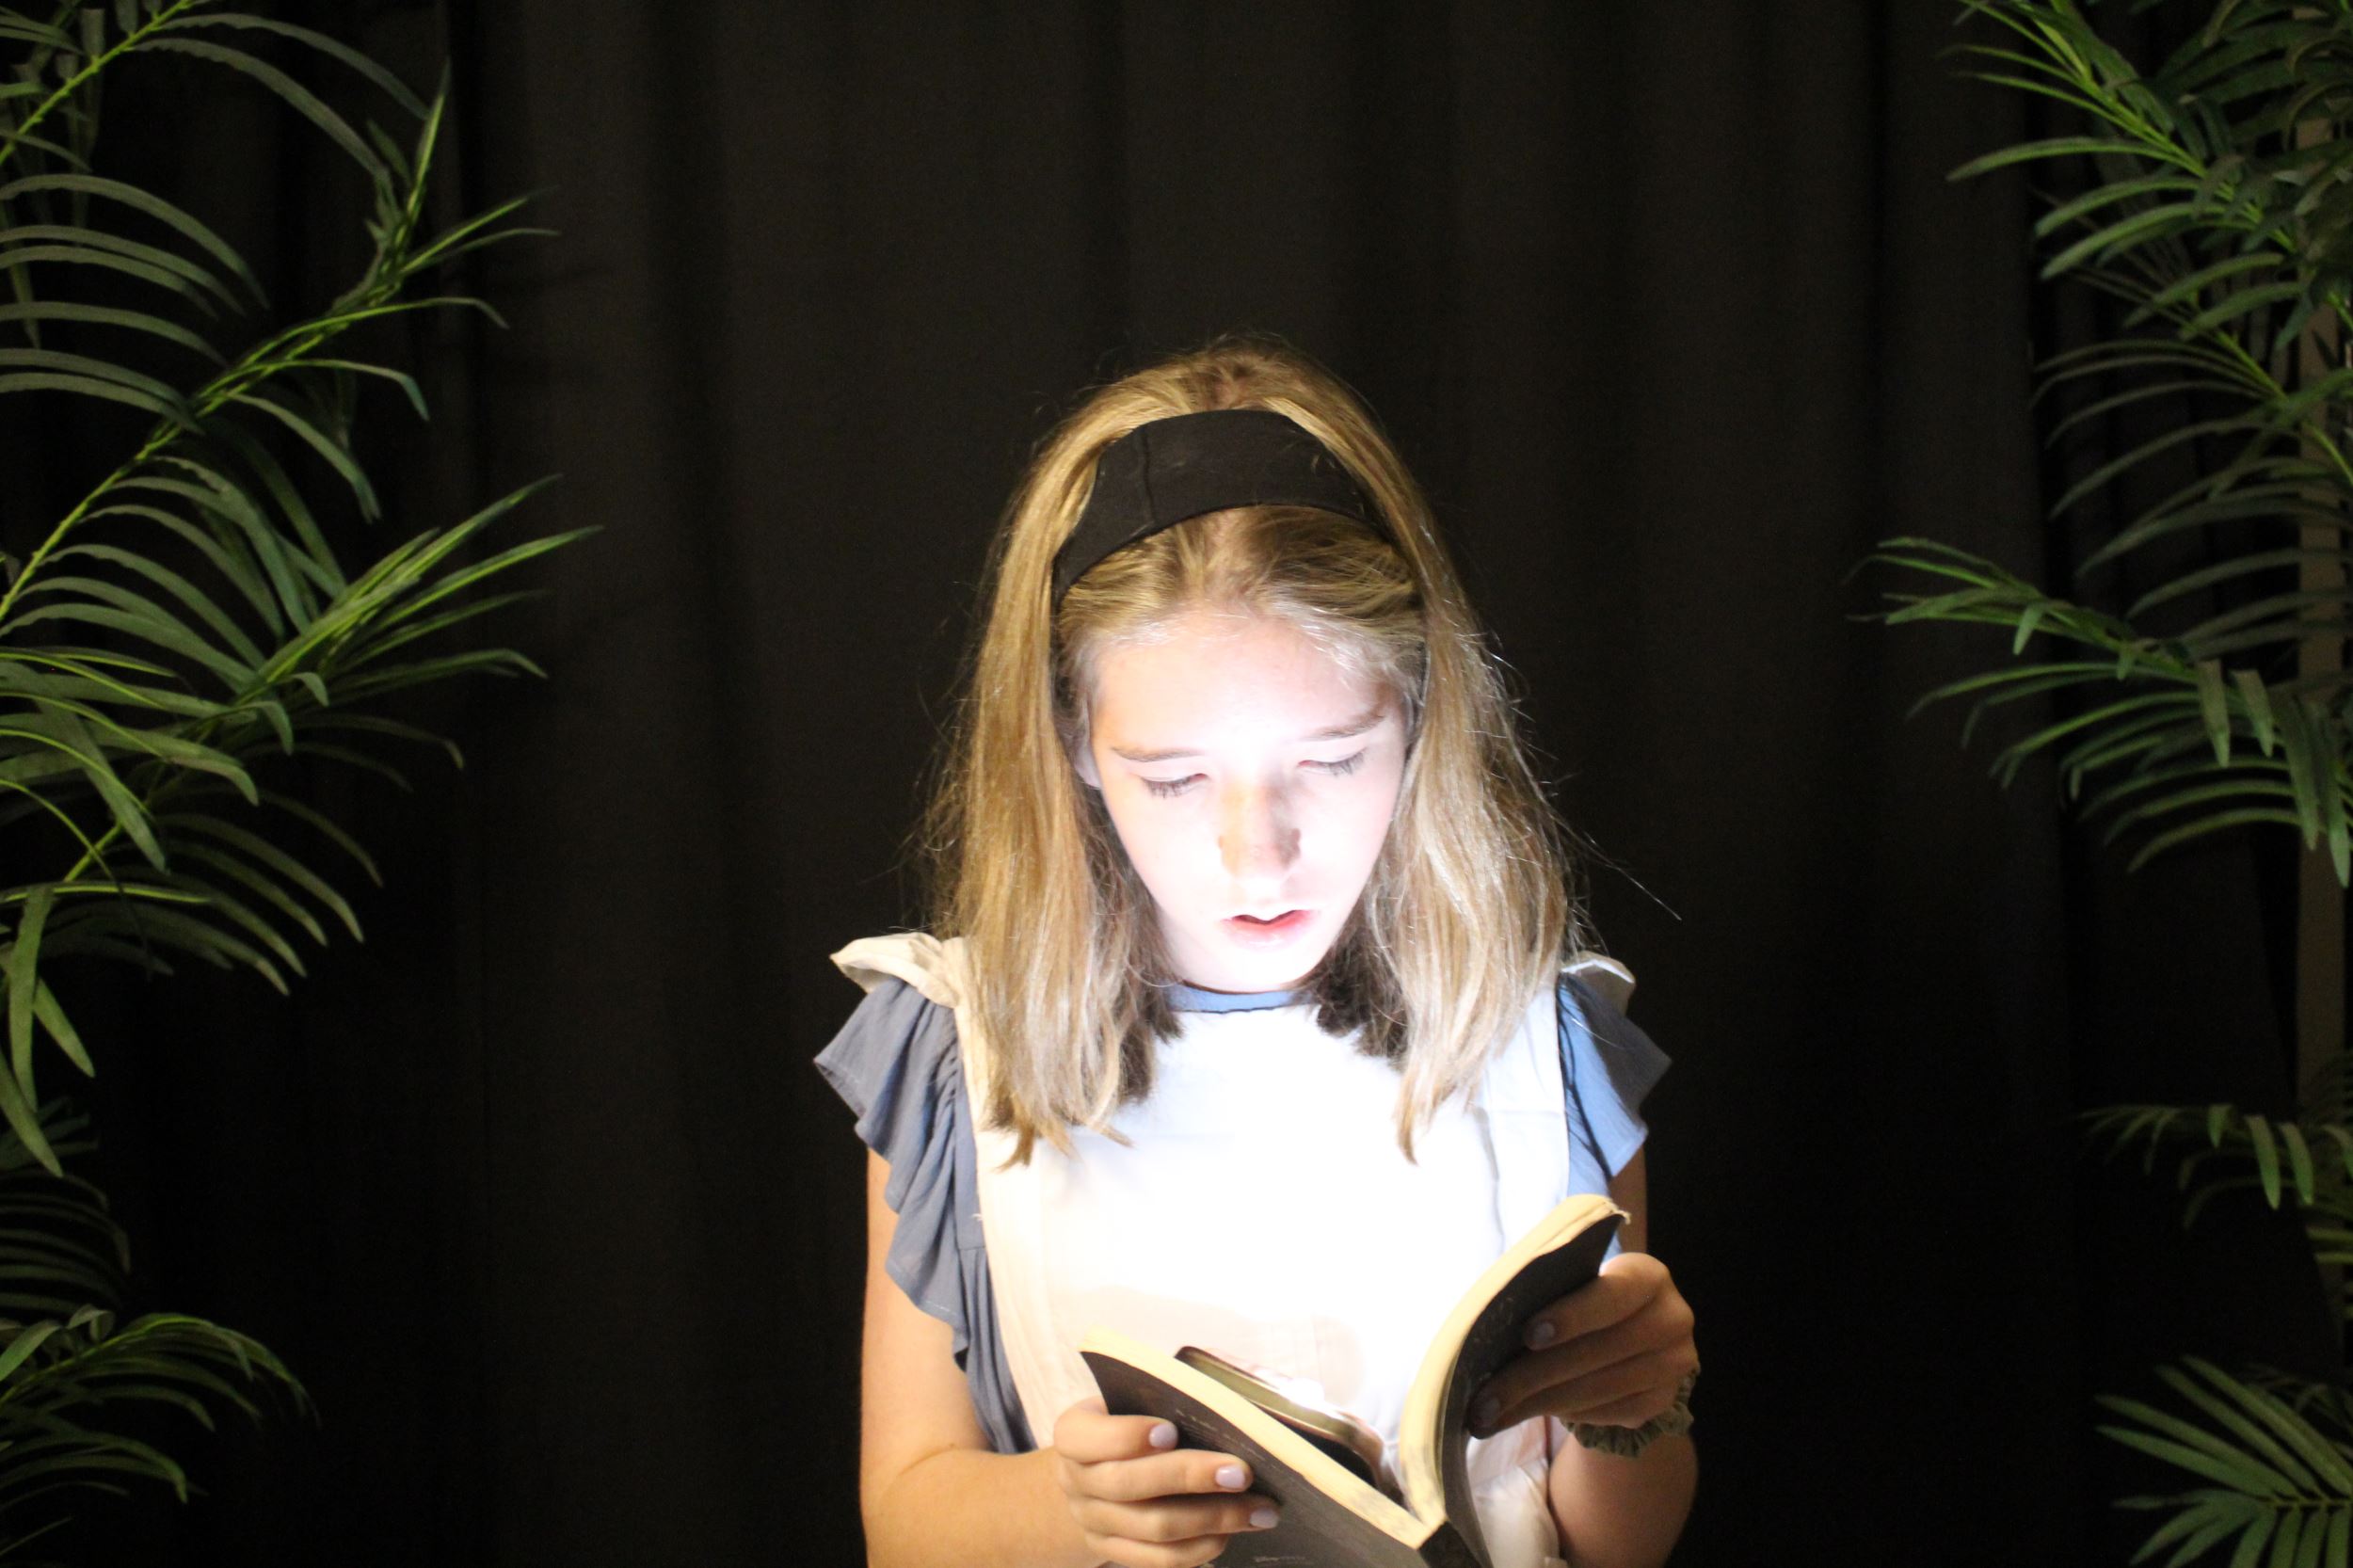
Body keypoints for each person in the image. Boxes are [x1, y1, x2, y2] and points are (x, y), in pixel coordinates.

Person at [818, 336, 1698, 1568]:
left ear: (1420, 710)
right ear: (1072, 740)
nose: (1258, 857)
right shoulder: (957, 1046)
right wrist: (1076, 1512)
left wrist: (1636, 1409)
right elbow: (907, 1514)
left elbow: (1617, 1546)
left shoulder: (1542, 1039)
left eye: (1332, 759)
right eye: (1175, 778)